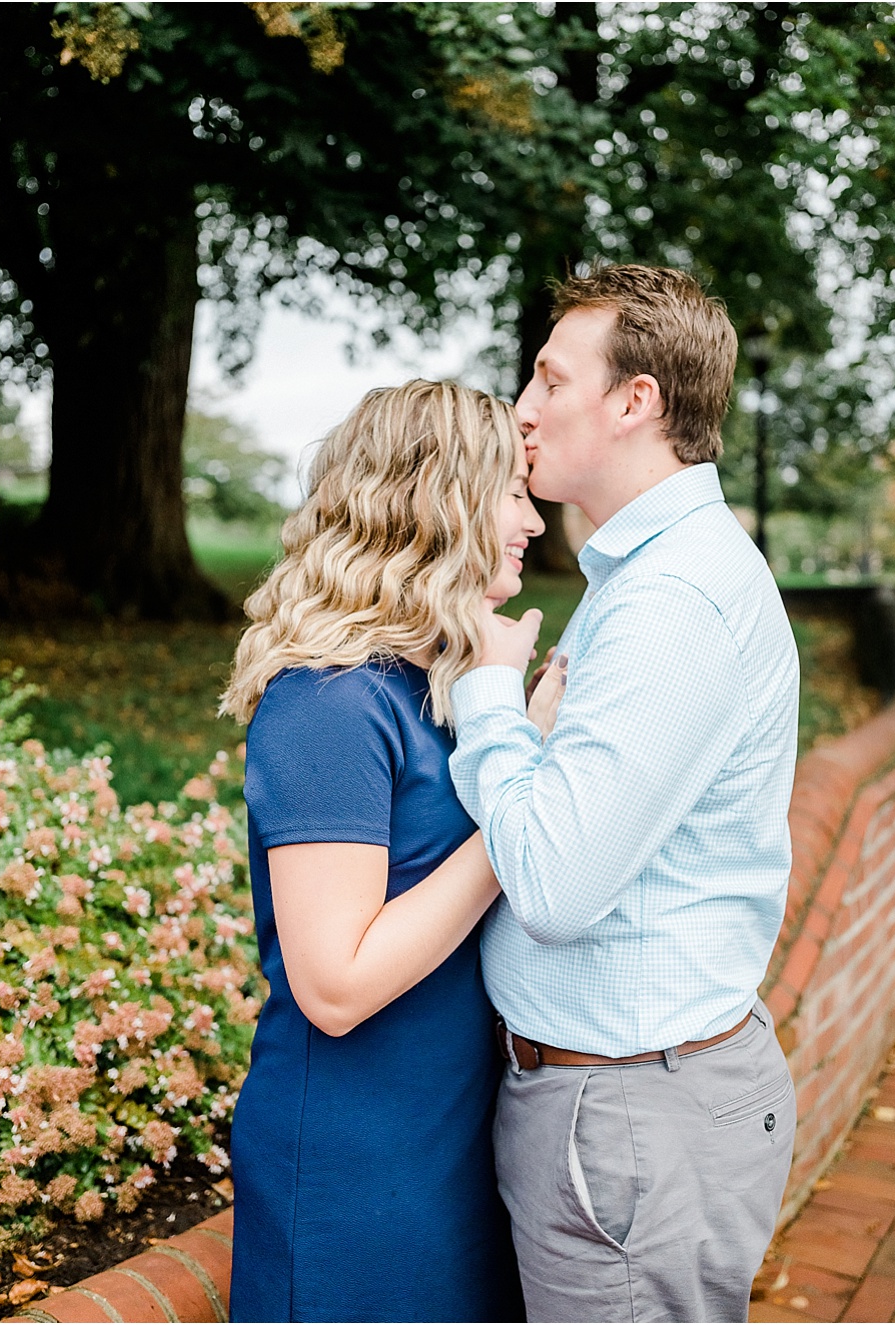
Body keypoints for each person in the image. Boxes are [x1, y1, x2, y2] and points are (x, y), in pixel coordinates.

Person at [448, 265, 800, 1324]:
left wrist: (487, 697)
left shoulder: (669, 600)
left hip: (624, 1116)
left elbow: (554, 883)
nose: (521, 408)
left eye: (551, 379)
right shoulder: (651, 578)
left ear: (634, 401)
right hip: (627, 1106)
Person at [220, 379, 547, 1324]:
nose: (531, 518)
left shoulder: (432, 685)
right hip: (354, 1172)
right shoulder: (328, 700)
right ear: (437, 497)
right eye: (511, 491)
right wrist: (513, 821)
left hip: (452, 1141)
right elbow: (336, 982)